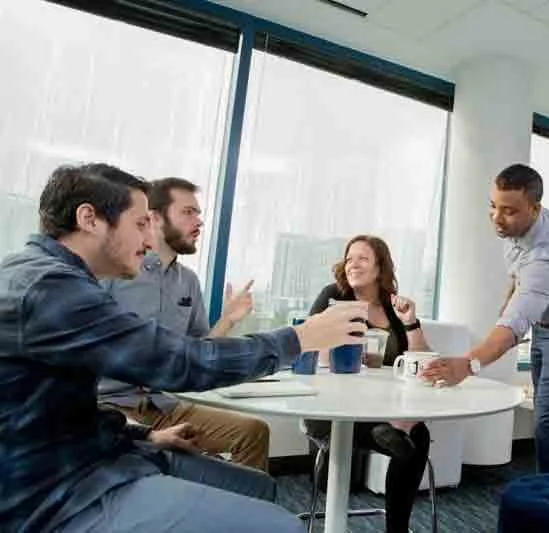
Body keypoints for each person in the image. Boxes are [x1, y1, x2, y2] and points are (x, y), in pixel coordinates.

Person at [0, 163, 367, 533]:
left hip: (100, 451)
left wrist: (143, 435)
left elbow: (59, 409)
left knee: (259, 486)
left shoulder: (55, 278)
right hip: (54, 493)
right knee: (282, 526)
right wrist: (300, 338)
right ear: (89, 218)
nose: (148, 239)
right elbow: (182, 361)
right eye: (140, 223)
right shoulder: (50, 289)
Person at [422, 163, 549, 473]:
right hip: (546, 326)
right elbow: (517, 272)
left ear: (535, 209)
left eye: (508, 211)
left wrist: (467, 366)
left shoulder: (545, 261)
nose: (496, 217)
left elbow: (510, 329)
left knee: (548, 419)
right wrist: (510, 300)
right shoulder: (522, 223)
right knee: (547, 411)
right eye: (493, 206)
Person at [99, 177, 270, 471]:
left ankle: (241, 515)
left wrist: (227, 320)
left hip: (163, 404)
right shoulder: (114, 273)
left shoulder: (188, 282)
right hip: (111, 406)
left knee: (253, 432)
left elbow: (199, 351)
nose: (199, 221)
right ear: (154, 218)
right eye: (188, 212)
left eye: (199, 213)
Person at [307, 235, 431, 533]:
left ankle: (396, 528)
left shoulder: (393, 308)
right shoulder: (333, 297)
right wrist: (336, 324)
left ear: (380, 267)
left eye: (362, 258)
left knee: (418, 435)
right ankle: (385, 432)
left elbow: (422, 360)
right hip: (332, 407)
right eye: (349, 259)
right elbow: (310, 350)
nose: (353, 264)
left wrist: (411, 323)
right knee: (392, 433)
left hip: (379, 406)